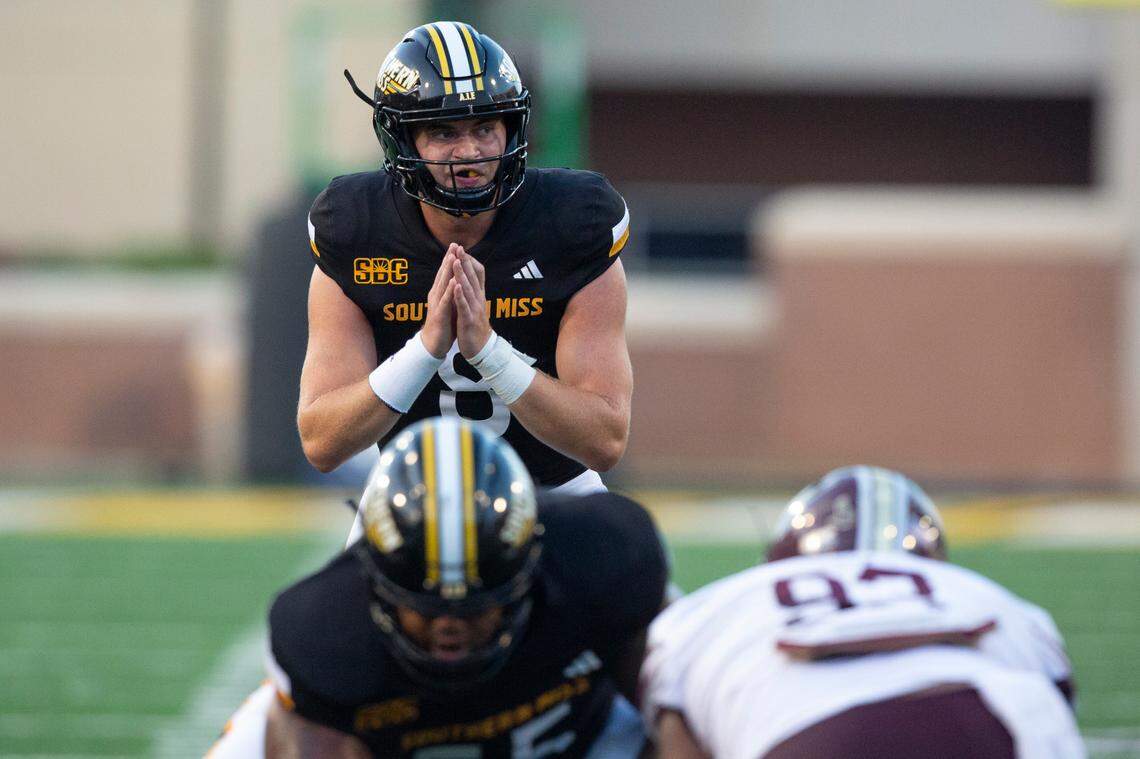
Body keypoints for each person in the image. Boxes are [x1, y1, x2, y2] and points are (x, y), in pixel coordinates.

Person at [298, 22, 633, 529]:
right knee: (311, 613)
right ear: (401, 138)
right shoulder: (356, 227)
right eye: (443, 131)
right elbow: (322, 441)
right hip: (410, 501)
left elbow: (605, 439)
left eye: (485, 128)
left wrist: (489, 353)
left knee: (645, 597)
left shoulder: (574, 221)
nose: (470, 152)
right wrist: (427, 347)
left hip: (557, 495)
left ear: (512, 128)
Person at [249, 416, 667, 758]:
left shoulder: (599, 567)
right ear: (377, 584)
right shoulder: (328, 639)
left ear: (526, 569)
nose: (450, 626)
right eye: (427, 609)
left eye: (474, 608)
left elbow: (676, 714)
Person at [640, 466, 1083, 759]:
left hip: (812, 734)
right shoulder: (989, 598)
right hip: (1008, 715)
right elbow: (1056, 700)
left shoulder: (711, 610)